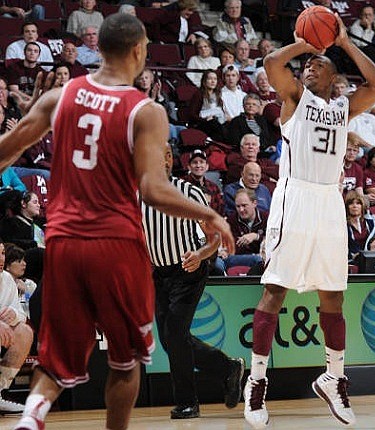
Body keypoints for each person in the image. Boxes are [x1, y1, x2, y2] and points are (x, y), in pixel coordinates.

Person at [0, 14, 234, 430]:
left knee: (57, 360)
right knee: (126, 362)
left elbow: (11, 146)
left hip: (65, 242)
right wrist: (210, 213)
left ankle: (30, 420)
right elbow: (152, 189)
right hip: (116, 246)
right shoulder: (145, 110)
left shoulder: (61, 96)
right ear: (140, 51)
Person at [243, 13, 375, 429]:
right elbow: (272, 64)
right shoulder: (294, 100)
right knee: (275, 291)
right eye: (306, 65)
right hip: (295, 195)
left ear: (333, 78)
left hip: (329, 202)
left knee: (333, 296)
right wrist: (307, 42)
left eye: (316, 66)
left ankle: (334, 377)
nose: (308, 68)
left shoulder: (343, 107)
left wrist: (342, 42)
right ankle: (256, 381)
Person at [142, 145, 244, 419]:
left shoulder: (190, 193)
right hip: (159, 274)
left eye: (162, 156)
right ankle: (228, 368)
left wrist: (200, 255)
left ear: (170, 160)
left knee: (174, 334)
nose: (157, 161)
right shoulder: (136, 196)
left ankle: (188, 402)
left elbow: (214, 239)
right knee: (170, 340)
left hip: (190, 270)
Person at [0, 241, 33, 414]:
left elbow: (21, 315)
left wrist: (13, 314)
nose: (1, 258)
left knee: (25, 332)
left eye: (3, 253)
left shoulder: (7, 279)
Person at [345, 191, 375, 261]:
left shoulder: (371, 224)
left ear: (362, 206)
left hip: (371, 259)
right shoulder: (343, 225)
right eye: (351, 203)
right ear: (347, 206)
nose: (355, 206)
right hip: (349, 261)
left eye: (358, 203)